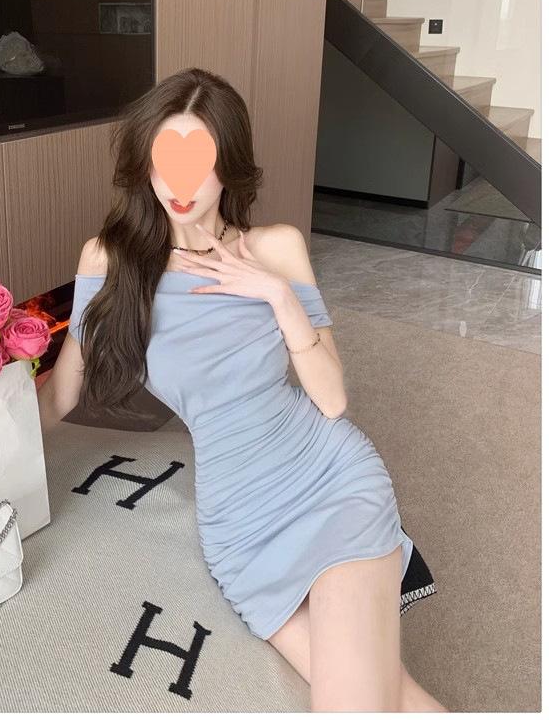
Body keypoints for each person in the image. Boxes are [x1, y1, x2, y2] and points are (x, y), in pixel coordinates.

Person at [39, 67, 446, 712]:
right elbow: (62, 395)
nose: (179, 183)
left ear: (229, 167)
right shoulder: (109, 262)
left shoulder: (275, 248)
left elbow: (333, 399)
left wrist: (277, 295)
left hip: (330, 480)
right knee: (386, 696)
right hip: (239, 522)